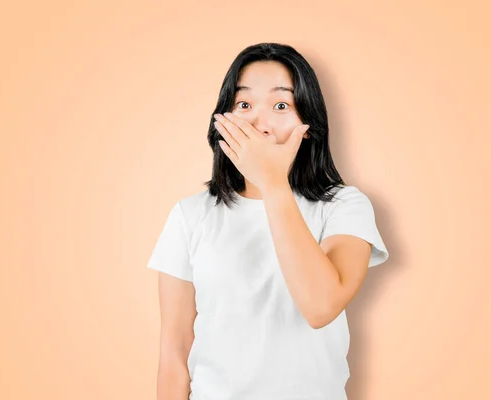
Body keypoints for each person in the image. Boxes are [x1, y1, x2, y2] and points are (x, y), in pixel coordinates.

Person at [146, 42, 390, 400]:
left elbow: (321, 307)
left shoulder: (345, 206)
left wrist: (273, 183)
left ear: (308, 123)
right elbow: (174, 354)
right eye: (244, 105)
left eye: (280, 105)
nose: (259, 123)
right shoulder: (190, 215)